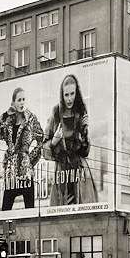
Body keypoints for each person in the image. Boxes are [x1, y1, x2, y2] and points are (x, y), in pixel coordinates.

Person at [43, 73, 96, 206]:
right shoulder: (56, 113)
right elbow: (43, 150)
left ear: (76, 93)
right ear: (62, 94)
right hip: (62, 173)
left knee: (84, 211)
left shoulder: (81, 111)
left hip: (80, 172)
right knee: (60, 213)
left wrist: (85, 134)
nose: (70, 99)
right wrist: (54, 141)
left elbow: (85, 151)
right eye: (66, 95)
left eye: (72, 94)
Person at [0, 87, 45, 211]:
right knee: (5, 210)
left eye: (24, 99)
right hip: (11, 173)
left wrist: (30, 160)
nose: (22, 103)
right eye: (19, 100)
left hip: (26, 172)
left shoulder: (30, 119)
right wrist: (5, 115)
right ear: (13, 103)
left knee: (29, 211)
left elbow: (42, 139)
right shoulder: (8, 122)